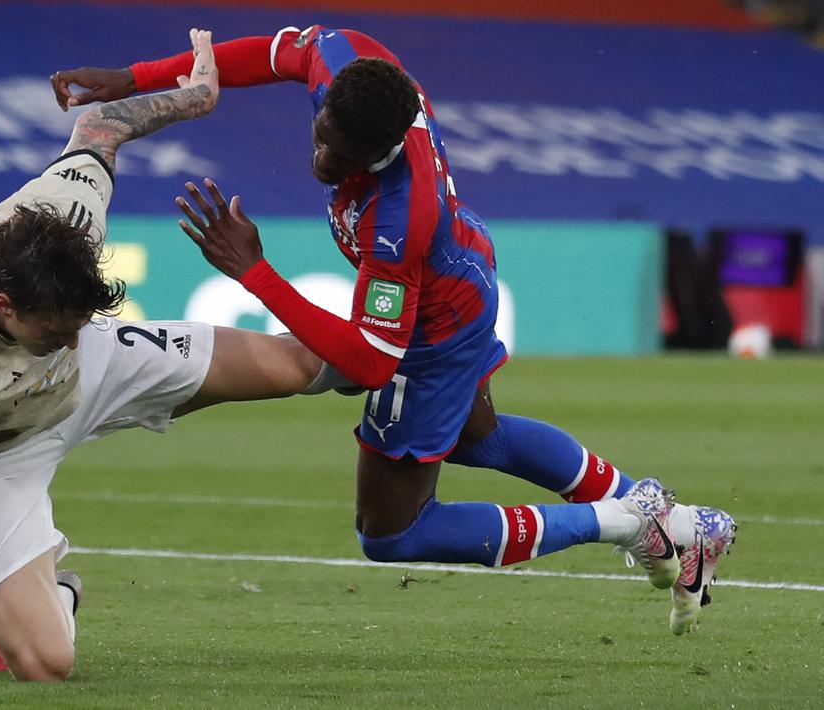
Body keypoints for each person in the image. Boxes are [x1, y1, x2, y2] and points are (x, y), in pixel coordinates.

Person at [51, 25, 736, 635]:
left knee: (393, 533)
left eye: (340, 157)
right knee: (482, 438)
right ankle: (678, 527)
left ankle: (629, 521)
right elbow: (274, 51)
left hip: (432, 330)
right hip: (462, 274)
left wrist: (253, 272)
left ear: (379, 152)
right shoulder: (351, 62)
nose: (321, 159)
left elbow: (375, 361)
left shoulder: (398, 217)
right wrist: (140, 78)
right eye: (320, 135)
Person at [0, 29, 334, 697]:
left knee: (302, 365)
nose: (65, 338)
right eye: (54, 330)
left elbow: (99, 125)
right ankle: (54, 591)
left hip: (100, 374)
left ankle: (420, 356)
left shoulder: (66, 224)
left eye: (73, 324)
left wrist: (191, 99)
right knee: (47, 664)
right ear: (2, 301)